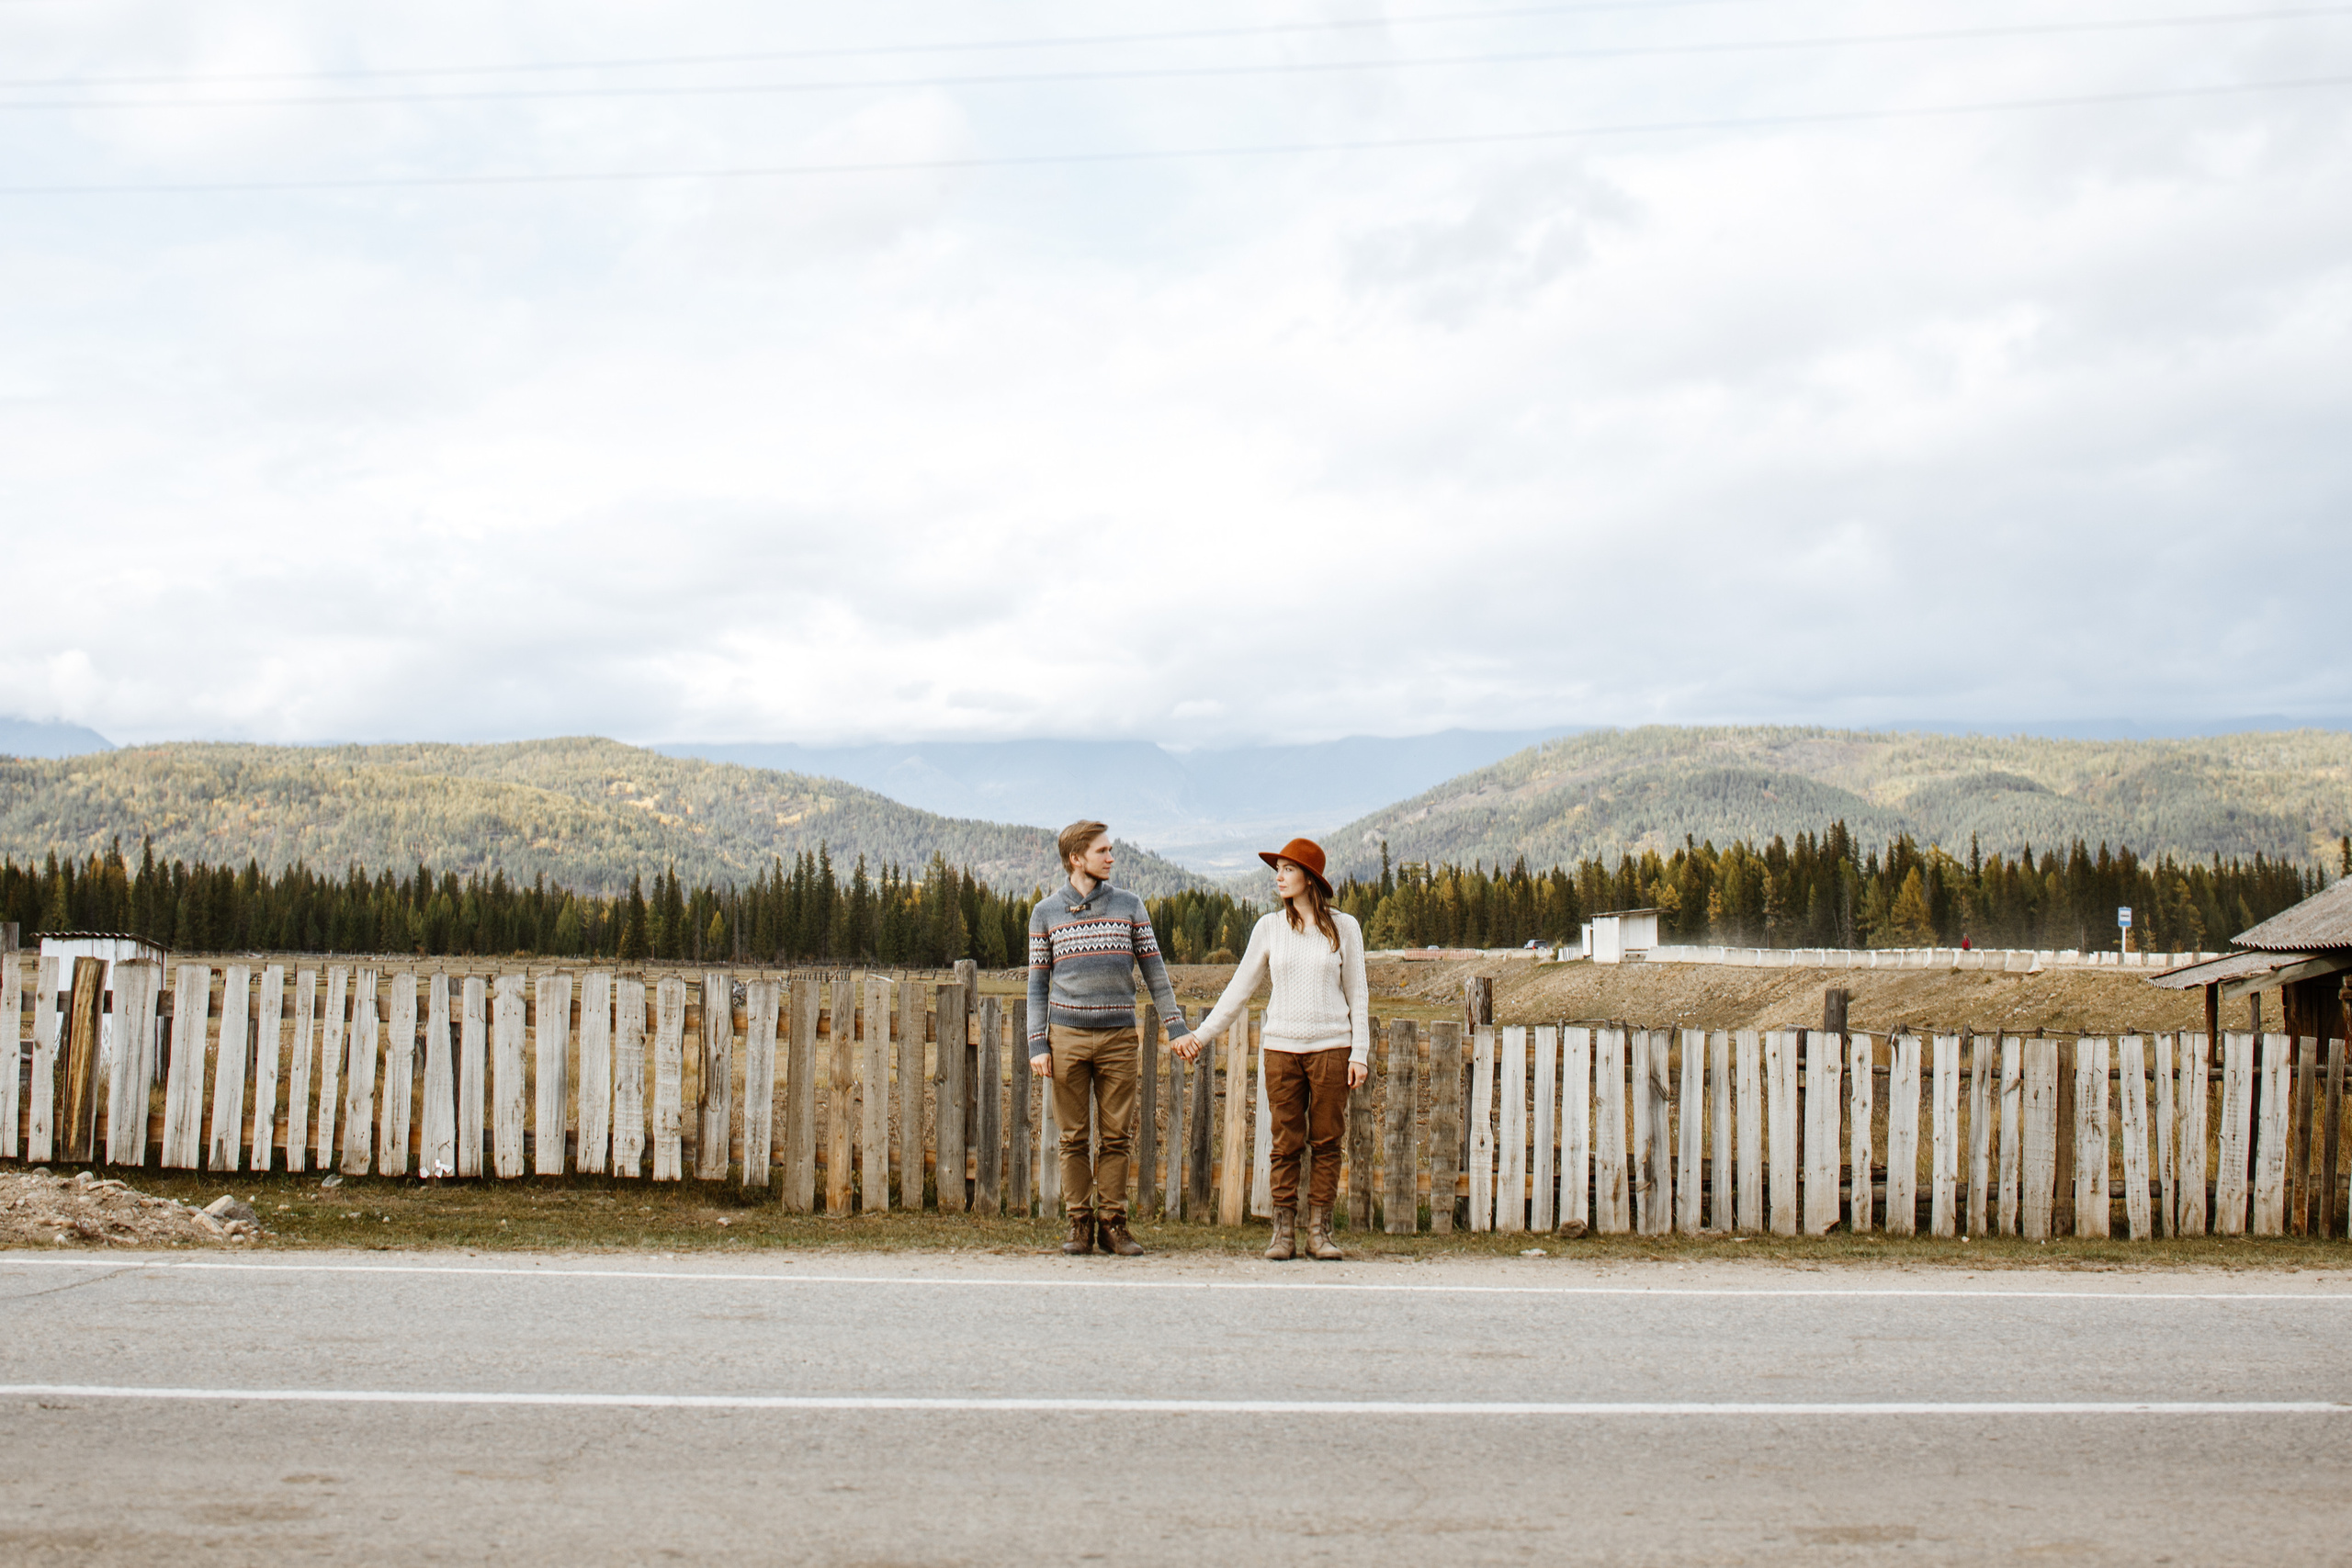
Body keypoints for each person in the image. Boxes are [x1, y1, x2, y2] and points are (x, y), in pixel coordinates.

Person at [1182, 837, 1368, 1261]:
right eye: (1277, 870)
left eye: (1288, 869)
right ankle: (1282, 1233)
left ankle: (1319, 1233)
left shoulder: (1345, 928)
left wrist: (1359, 1053)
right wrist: (1201, 1035)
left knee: (1327, 1142)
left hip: (1332, 1048)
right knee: (1285, 1142)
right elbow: (1239, 989)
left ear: (1309, 878)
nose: (1279, 878)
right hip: (1282, 1049)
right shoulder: (1269, 927)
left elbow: (1358, 993)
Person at [1028, 819, 1199, 1257]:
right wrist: (1037, 1043)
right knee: (1072, 1138)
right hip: (1066, 1037)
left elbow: (1155, 971)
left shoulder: (1129, 906)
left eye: (1110, 850)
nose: (1111, 857)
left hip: (1119, 1038)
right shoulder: (1046, 912)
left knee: (1117, 1136)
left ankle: (1113, 1224)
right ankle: (1079, 1224)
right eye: (1102, 851)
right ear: (1076, 858)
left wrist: (1176, 1025)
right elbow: (1037, 985)